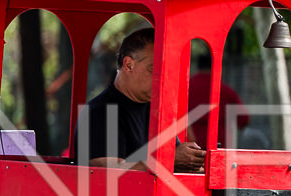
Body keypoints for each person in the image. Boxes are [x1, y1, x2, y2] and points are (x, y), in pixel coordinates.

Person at [72, 27, 205, 172]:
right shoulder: (100, 112)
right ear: (128, 65)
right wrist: (169, 160)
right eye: (153, 68)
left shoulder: (158, 112)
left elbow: (179, 161)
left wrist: (196, 161)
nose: (163, 77)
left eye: (166, 69)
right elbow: (108, 172)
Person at [186, 51, 248, 150]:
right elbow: (244, 119)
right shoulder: (225, 91)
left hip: (189, 148)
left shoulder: (186, 88)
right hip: (218, 147)